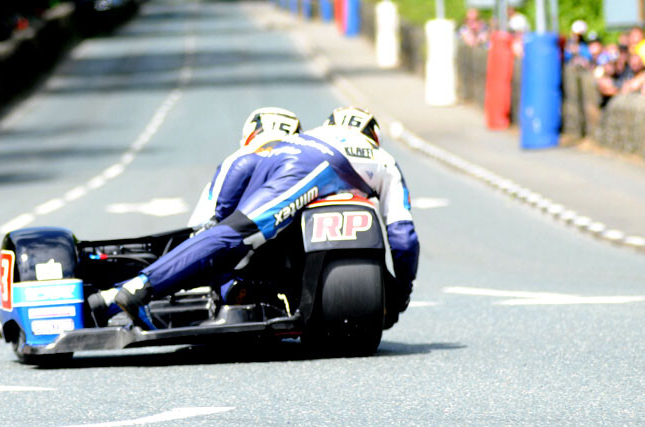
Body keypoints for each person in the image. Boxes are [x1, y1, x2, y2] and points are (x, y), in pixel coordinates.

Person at [90, 106, 420, 331]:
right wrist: (401, 291)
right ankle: (136, 288)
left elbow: (247, 163)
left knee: (228, 236)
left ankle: (229, 282)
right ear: (374, 135)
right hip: (310, 169)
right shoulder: (383, 160)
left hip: (270, 158)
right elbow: (403, 236)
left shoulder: (312, 135)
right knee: (237, 235)